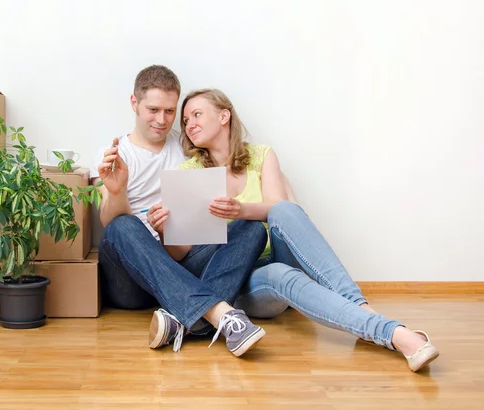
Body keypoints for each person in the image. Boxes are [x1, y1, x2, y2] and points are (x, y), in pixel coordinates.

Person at [145, 88, 439, 372]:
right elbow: (182, 254)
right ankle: (392, 332)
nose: (189, 124)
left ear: (224, 116)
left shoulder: (261, 155)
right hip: (243, 280)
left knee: (284, 210)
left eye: (196, 114)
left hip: (278, 252)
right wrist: (166, 231)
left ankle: (362, 308)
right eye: (185, 121)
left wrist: (241, 210)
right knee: (282, 276)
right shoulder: (190, 173)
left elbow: (278, 206)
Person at [91, 66, 268, 357]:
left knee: (251, 229)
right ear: (134, 103)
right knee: (122, 226)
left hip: (180, 259)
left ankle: (184, 321)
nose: (162, 120)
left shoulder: (187, 146)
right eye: (153, 109)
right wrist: (116, 189)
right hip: (132, 279)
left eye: (170, 111)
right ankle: (220, 314)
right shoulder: (113, 154)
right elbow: (109, 224)